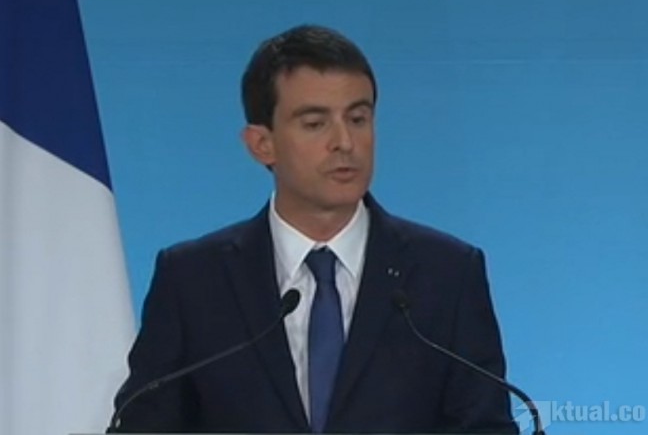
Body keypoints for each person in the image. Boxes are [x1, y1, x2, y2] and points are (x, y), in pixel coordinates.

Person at [112, 24, 518, 434]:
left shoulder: (447, 274)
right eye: (315, 123)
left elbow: (485, 427)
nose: (345, 142)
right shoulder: (192, 280)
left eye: (358, 118)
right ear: (261, 144)